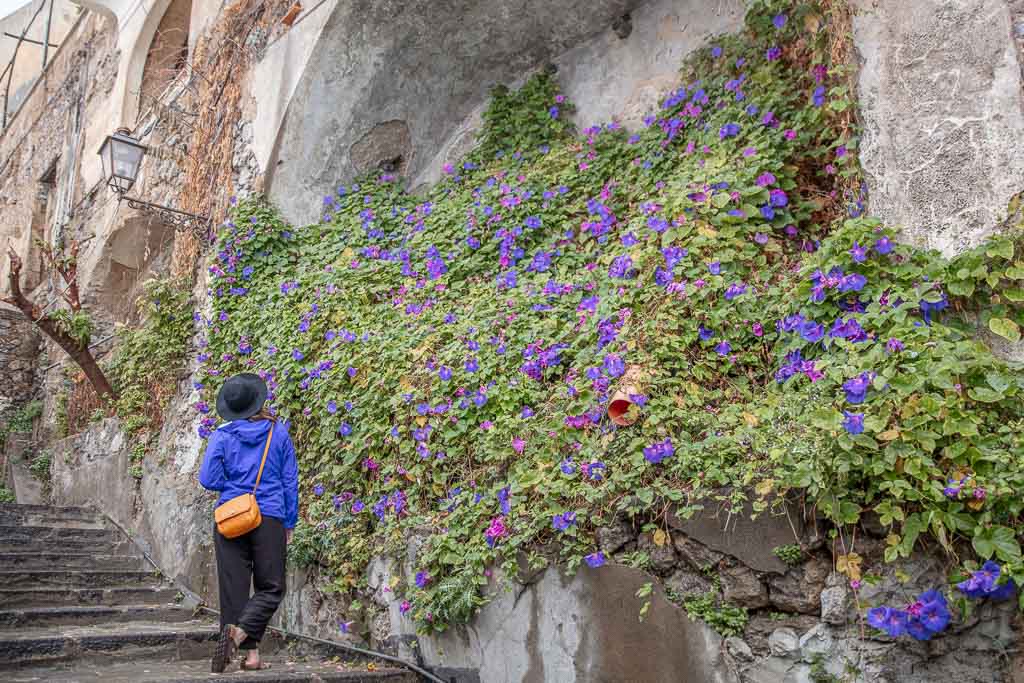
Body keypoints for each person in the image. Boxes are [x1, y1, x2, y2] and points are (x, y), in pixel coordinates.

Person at [199, 373, 299, 673]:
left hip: (230, 515)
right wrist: (289, 521)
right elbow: (289, 480)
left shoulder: (221, 435)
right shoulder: (277, 432)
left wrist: (232, 486)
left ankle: (239, 641)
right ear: (258, 400)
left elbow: (208, 479)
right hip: (269, 514)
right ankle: (249, 651)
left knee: (234, 587)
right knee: (271, 587)